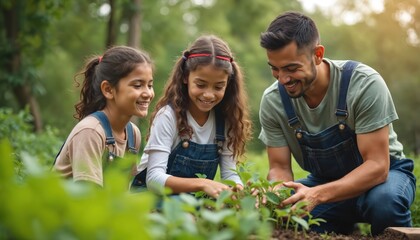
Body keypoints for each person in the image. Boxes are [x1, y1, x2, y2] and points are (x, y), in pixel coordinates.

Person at [258, 11, 416, 235]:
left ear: (318, 55)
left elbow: (377, 167)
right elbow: (279, 168)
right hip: (324, 181)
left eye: (292, 68)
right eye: (275, 68)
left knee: (384, 202)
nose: (283, 79)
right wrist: (277, 194)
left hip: (385, 177)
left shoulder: (363, 84)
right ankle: (343, 225)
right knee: (280, 218)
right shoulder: (274, 101)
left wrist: (318, 195)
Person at [132, 35, 252, 198]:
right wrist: (203, 184)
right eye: (201, 85)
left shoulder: (225, 121)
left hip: (191, 199)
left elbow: (229, 175)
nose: (209, 94)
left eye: (218, 86)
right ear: (185, 77)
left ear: (228, 84)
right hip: (150, 196)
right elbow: (153, 180)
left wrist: (238, 189)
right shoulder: (168, 116)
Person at [53, 46, 155, 187]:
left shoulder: (133, 134)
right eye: (137, 85)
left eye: (150, 85)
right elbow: (88, 199)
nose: (148, 93)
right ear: (108, 90)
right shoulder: (91, 132)